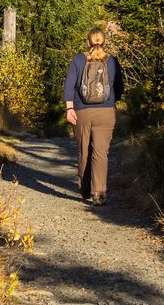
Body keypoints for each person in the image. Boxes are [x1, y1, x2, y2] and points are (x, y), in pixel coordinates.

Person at [63, 27, 124, 206]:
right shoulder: (112, 61)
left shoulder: (78, 59)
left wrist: (69, 109)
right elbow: (120, 88)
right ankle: (99, 193)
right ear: (104, 42)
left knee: (84, 150)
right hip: (106, 112)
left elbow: (69, 86)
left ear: (87, 41)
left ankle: (85, 189)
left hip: (82, 112)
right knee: (101, 152)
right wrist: (112, 101)